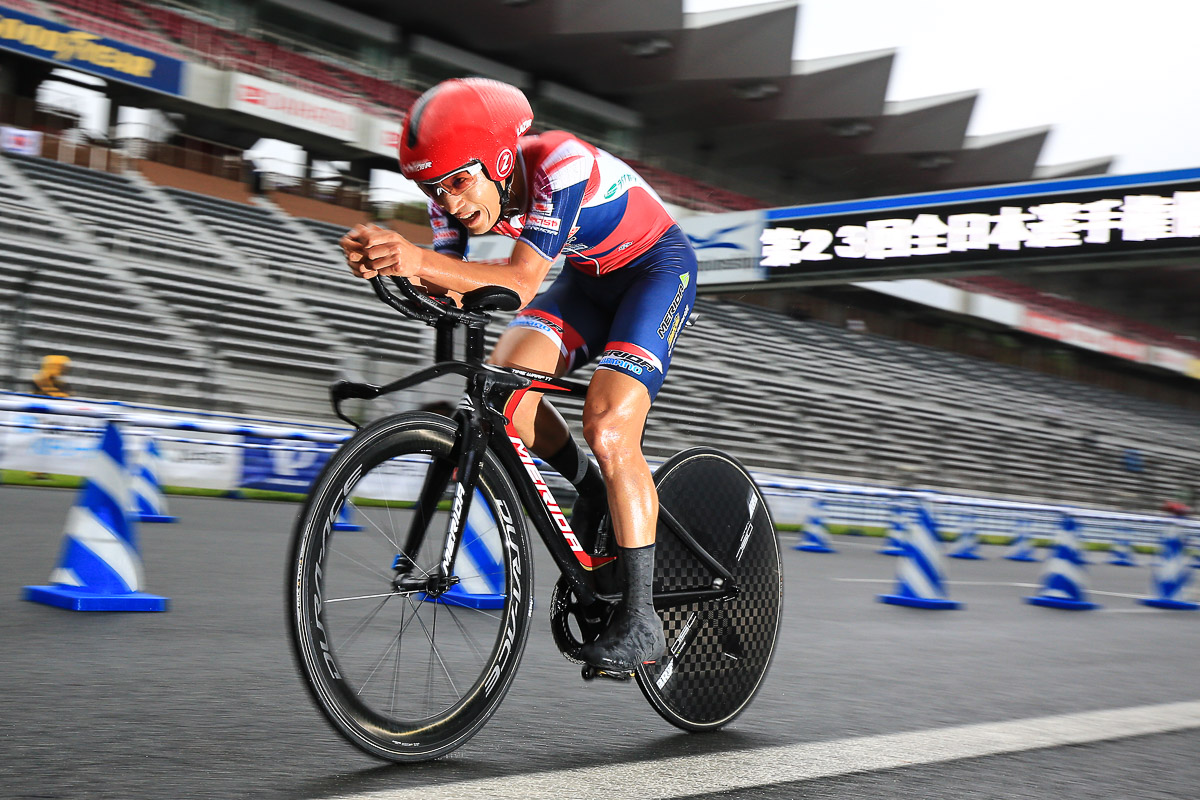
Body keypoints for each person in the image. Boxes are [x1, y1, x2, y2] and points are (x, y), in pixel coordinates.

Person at [340, 78, 698, 673]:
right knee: (507, 391)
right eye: (434, 188)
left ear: (502, 160)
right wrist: (391, 268)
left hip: (654, 271)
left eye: (458, 182)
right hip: (586, 283)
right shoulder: (453, 191)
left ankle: (642, 620)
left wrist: (416, 259)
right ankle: (591, 490)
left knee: (609, 425)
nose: (450, 203)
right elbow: (455, 281)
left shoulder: (559, 163)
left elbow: (519, 282)